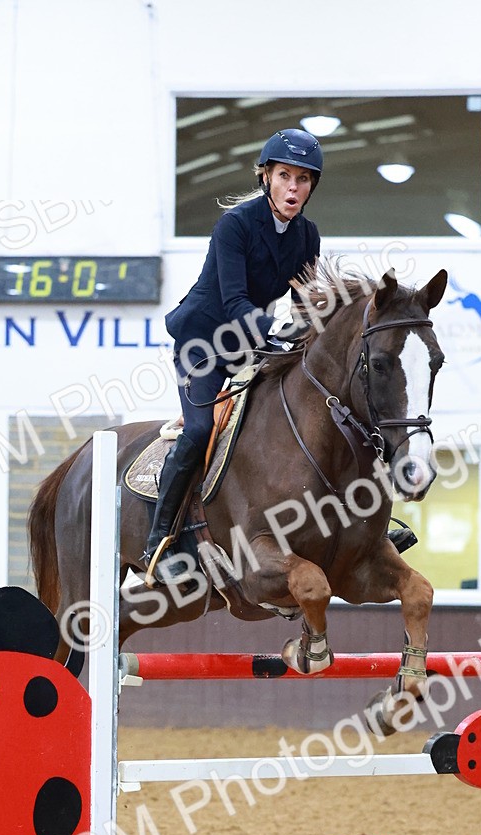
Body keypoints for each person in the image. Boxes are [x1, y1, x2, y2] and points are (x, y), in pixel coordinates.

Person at [142, 128, 323, 583]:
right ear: (266, 177)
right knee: (201, 428)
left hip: (252, 340)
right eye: (284, 176)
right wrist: (281, 331)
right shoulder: (235, 226)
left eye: (303, 179)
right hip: (205, 342)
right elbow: (236, 304)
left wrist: (312, 337)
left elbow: (303, 303)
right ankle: (157, 541)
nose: (293, 188)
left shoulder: (307, 236)